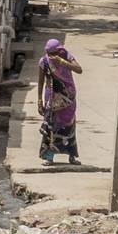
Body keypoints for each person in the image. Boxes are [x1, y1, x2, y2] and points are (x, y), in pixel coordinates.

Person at [37, 38, 83, 166]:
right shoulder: (44, 62)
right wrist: (39, 100)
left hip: (68, 98)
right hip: (52, 98)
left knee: (69, 125)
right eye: (52, 53)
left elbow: (79, 69)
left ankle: (72, 156)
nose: (54, 56)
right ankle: (49, 156)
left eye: (56, 52)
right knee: (52, 126)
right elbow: (41, 82)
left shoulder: (67, 56)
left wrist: (62, 61)